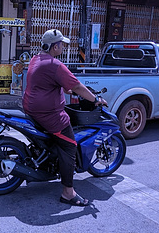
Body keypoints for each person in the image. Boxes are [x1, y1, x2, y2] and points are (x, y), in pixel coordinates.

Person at [22, 29, 107, 207]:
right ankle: (68, 193)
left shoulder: (36, 59)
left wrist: (65, 89)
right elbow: (77, 86)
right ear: (55, 46)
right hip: (48, 114)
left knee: (60, 137)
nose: (63, 47)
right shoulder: (55, 65)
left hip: (31, 107)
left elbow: (47, 82)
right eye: (62, 44)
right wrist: (96, 99)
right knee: (69, 145)